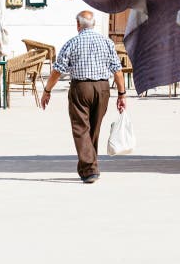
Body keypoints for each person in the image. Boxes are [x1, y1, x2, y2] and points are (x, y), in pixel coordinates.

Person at [41, 11, 126, 184]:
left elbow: (58, 70)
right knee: (93, 128)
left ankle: (89, 169)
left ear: (78, 25)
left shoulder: (72, 43)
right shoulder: (107, 42)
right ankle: (90, 165)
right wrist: (122, 94)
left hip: (81, 88)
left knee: (81, 128)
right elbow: (117, 70)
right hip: (102, 88)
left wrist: (47, 90)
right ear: (93, 24)